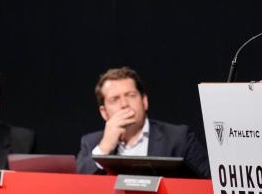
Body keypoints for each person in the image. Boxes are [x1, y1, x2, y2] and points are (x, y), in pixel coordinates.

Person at [77, 66, 210, 178]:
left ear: (144, 102)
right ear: (104, 112)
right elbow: (77, 186)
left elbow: (210, 183)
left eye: (131, 95)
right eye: (115, 99)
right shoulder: (92, 143)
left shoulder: (178, 138)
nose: (124, 104)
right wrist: (105, 147)